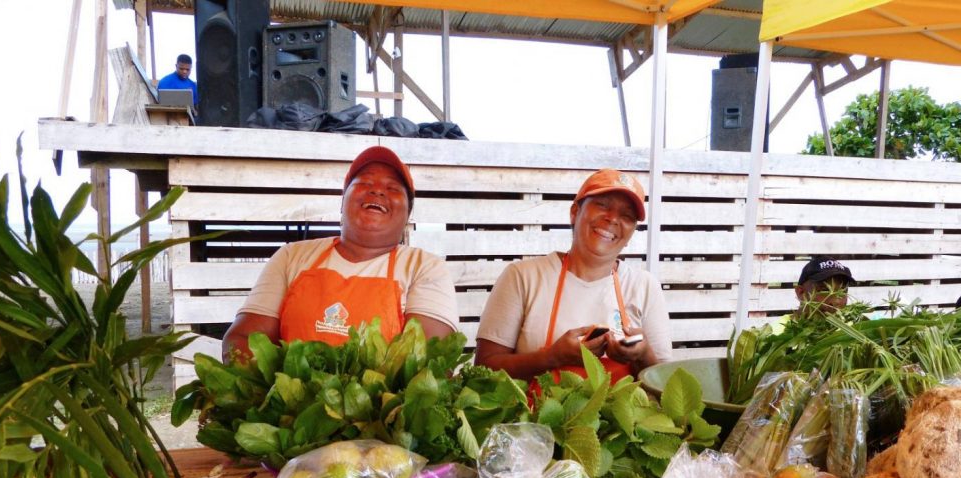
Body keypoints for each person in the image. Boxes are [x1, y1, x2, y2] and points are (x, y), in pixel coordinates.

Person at [222, 146, 458, 360]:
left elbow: (431, 363)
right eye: (364, 183)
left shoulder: (423, 267)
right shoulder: (291, 256)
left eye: (392, 188)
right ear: (342, 203)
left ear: (408, 215)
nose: (377, 191)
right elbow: (242, 340)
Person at [474, 168, 672, 383]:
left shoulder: (643, 286)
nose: (613, 219)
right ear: (574, 212)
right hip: (531, 416)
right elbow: (485, 367)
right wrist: (552, 357)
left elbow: (663, 382)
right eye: (602, 205)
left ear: (632, 231)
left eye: (627, 216)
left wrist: (642, 355)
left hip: (619, 416)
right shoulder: (523, 276)